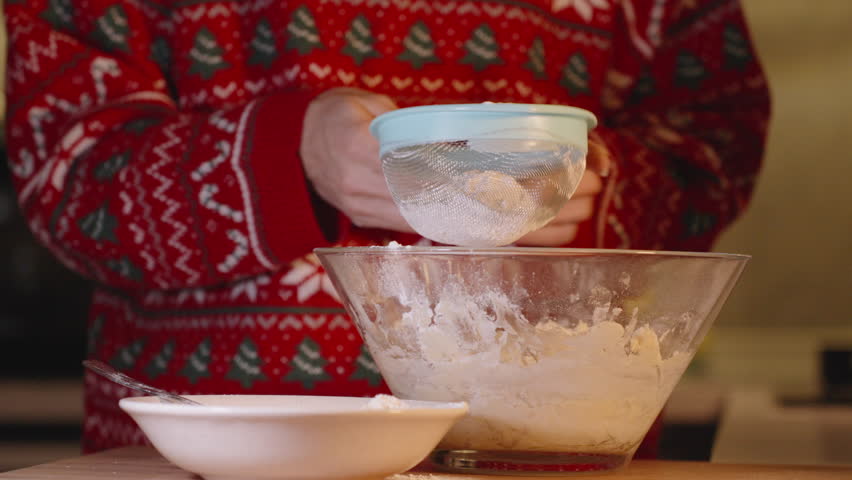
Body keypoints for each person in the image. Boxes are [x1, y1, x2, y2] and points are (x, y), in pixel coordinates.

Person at [4, 0, 769, 455]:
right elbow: (69, 174)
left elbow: (714, 138)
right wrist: (287, 154)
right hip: (217, 453)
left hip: (553, 446)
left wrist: (589, 194)